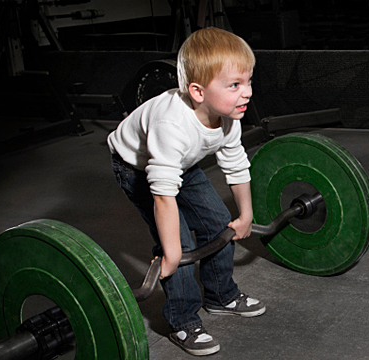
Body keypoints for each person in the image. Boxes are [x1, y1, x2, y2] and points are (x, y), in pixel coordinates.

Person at [108, 27, 265, 356]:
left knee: (219, 222)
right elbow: (163, 194)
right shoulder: (172, 125)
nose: (247, 92)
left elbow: (236, 164)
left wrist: (246, 215)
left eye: (248, 81)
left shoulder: (229, 115)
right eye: (235, 85)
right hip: (137, 166)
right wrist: (172, 252)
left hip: (182, 161)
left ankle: (220, 295)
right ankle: (182, 319)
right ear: (197, 91)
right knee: (178, 245)